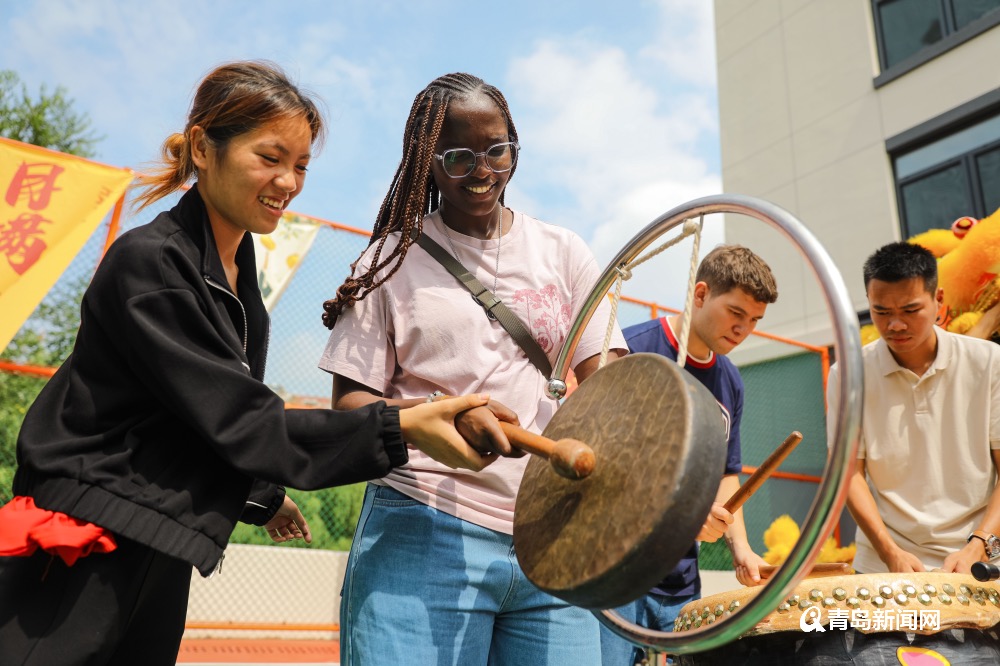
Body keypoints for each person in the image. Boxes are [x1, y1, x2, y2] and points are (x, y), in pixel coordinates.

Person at [0, 61, 492, 666]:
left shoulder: (238, 277)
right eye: (270, 157)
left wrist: (261, 496)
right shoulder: (152, 264)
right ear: (204, 148)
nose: (288, 181)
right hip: (83, 537)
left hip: (159, 537)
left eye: (302, 165)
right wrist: (403, 424)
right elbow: (239, 418)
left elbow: (198, 417)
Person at [319, 72, 627, 665]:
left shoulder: (564, 252)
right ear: (426, 163)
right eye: (457, 156)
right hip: (420, 526)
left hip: (553, 537)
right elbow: (351, 409)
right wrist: (443, 416)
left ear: (515, 146)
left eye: (496, 150)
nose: (481, 170)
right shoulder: (388, 261)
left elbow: (608, 389)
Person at [599, 244, 778, 665]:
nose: (743, 329)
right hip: (615, 571)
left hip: (681, 581)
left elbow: (726, 473)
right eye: (736, 314)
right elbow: (602, 460)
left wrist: (741, 547)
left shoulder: (730, 380)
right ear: (700, 295)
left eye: (754, 321)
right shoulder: (633, 351)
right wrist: (680, 514)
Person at [827, 241, 1000, 575]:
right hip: (884, 565)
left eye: (909, 310)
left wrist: (979, 545)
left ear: (938, 301)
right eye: (881, 312)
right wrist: (890, 553)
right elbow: (848, 475)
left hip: (980, 561)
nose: (895, 325)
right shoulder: (848, 375)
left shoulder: (990, 362)